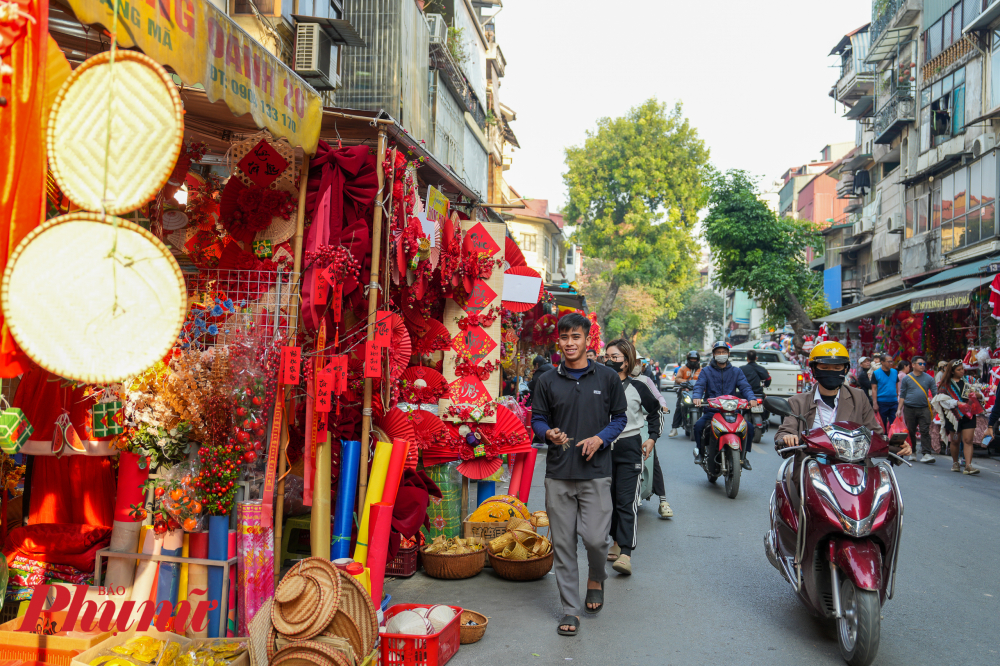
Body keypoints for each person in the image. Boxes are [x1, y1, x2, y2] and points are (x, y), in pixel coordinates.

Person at [530, 313, 627, 637]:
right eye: (565, 338)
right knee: (564, 544)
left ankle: (596, 577)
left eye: (576, 337)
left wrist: (601, 438)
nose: (570, 343)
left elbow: (619, 417)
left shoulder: (607, 378)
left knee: (597, 540)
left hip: (596, 472)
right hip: (559, 473)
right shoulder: (546, 380)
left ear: (588, 341)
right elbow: (538, 419)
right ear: (558, 341)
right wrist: (548, 434)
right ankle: (570, 609)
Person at [776, 341, 907, 454]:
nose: (831, 371)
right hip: (810, 467)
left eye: (837, 368)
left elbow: (874, 433)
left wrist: (897, 447)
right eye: (825, 367)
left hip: (853, 468)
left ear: (845, 370)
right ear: (814, 370)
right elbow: (785, 431)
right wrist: (787, 437)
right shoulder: (798, 402)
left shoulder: (859, 397)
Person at [602, 339, 663, 576]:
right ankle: (615, 540)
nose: (609, 360)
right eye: (606, 356)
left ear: (626, 361)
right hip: (603, 448)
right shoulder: (598, 384)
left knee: (626, 501)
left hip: (629, 446)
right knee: (607, 501)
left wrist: (652, 438)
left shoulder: (638, 387)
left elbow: (655, 412)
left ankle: (626, 553)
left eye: (615, 357)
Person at [693, 342, 757, 470]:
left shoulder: (736, 372)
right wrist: (696, 397)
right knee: (698, 426)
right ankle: (700, 453)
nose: (721, 355)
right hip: (712, 411)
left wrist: (751, 398)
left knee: (749, 427)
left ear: (728, 354)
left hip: (732, 411)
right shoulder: (706, 371)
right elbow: (699, 385)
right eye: (718, 352)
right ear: (714, 354)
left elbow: (745, 387)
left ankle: (743, 456)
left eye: (723, 352)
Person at [629, 357, 673, 519]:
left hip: (643, 426)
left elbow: (657, 398)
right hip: (620, 429)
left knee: (652, 458)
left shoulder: (644, 381)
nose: (635, 365)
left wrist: (663, 405)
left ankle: (663, 500)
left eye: (637, 362)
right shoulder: (612, 380)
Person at [938, 360, 982, 475]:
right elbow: (942, 400)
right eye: (959, 369)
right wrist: (957, 403)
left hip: (969, 414)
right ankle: (955, 462)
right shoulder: (946, 384)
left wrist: (978, 395)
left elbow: (981, 393)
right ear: (952, 371)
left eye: (963, 368)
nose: (962, 371)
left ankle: (968, 465)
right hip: (954, 416)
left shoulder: (970, 381)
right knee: (955, 441)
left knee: (968, 440)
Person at [899, 355, 936, 464]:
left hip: (924, 408)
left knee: (925, 430)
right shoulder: (907, 378)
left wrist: (935, 407)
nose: (922, 366)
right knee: (911, 431)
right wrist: (899, 409)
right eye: (920, 364)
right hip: (909, 408)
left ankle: (926, 453)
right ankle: (913, 451)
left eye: (924, 364)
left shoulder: (929, 378)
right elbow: (902, 394)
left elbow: (935, 394)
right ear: (913, 365)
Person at [668, 351, 702, 438]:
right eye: (691, 359)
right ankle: (674, 428)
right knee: (679, 407)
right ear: (688, 360)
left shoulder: (701, 370)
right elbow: (678, 379)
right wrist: (685, 382)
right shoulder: (682, 369)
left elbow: (705, 379)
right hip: (684, 391)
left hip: (698, 393)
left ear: (698, 360)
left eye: (695, 359)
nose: (693, 361)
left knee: (706, 407)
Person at [740, 350, 772, 419]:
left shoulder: (741, 369)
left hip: (744, 394)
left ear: (747, 358)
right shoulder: (761, 369)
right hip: (758, 392)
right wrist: (766, 385)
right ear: (756, 358)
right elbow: (768, 379)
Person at [871, 355, 899, 430]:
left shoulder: (895, 372)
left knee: (894, 423)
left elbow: (896, 386)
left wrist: (897, 398)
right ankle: (883, 439)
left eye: (891, 361)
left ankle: (892, 439)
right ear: (882, 362)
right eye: (889, 361)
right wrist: (875, 403)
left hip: (893, 402)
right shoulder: (876, 373)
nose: (891, 363)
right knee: (882, 423)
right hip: (882, 402)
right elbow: (874, 389)